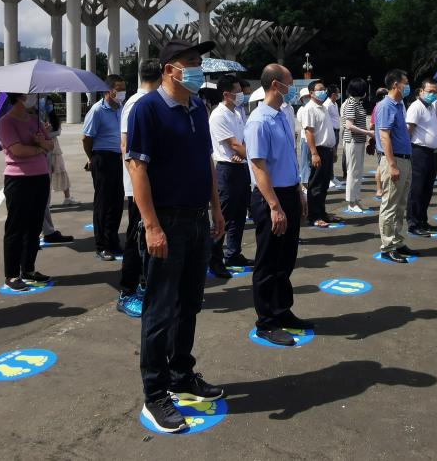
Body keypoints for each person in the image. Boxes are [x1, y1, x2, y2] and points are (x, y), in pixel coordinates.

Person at [126, 38, 226, 434]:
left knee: (189, 304)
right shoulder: (147, 109)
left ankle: (181, 374)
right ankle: (155, 393)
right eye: (192, 62)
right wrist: (151, 226)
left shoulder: (197, 107)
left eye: (200, 61)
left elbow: (206, 161)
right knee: (159, 310)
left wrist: (216, 208)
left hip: (198, 219)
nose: (199, 68)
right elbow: (137, 169)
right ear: (170, 69)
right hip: (166, 222)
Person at [245, 64, 310, 346]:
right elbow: (258, 166)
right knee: (268, 261)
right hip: (269, 197)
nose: (293, 88)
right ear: (275, 85)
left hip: (288, 192)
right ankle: (266, 321)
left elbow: (289, 158)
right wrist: (274, 206)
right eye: (289, 82)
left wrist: (298, 191)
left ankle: (282, 311)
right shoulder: (259, 120)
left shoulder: (282, 114)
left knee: (285, 259)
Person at [116, 59, 162, 318]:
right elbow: (126, 146)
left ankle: (144, 284)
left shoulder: (150, 101)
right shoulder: (137, 103)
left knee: (145, 239)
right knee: (136, 238)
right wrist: (137, 182)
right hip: (138, 186)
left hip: (150, 183)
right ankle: (127, 292)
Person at [0, 92, 54, 291]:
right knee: (16, 227)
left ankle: (28, 268)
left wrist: (42, 143)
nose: (34, 98)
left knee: (34, 225)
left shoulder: (34, 119)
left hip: (40, 176)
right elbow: (18, 151)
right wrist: (39, 148)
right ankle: (12, 274)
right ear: (19, 97)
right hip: (18, 179)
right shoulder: (6, 122)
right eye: (30, 95)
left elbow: (50, 144)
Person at [374, 70, 420, 263]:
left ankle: (397, 241)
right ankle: (387, 246)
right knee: (390, 205)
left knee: (400, 204)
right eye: (405, 83)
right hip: (394, 160)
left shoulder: (399, 105)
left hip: (405, 159)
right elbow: (384, 136)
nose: (407, 86)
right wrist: (392, 165)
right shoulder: (386, 106)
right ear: (396, 85)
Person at [209, 74, 250, 273]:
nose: (241, 94)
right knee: (223, 217)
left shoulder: (237, 113)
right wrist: (253, 155)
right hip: (226, 170)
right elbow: (233, 144)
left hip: (240, 166)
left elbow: (243, 141)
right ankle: (214, 259)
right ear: (226, 94)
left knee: (239, 214)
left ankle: (233, 253)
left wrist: (243, 153)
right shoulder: (219, 115)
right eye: (238, 91)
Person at [83, 75, 126, 261]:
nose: (123, 92)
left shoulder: (121, 108)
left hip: (118, 158)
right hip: (102, 157)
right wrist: (91, 157)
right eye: (119, 89)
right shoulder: (97, 110)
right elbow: (86, 138)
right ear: (109, 90)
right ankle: (101, 245)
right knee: (103, 202)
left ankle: (113, 240)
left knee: (117, 201)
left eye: (124, 88)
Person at [298, 80, 336, 227]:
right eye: (320, 89)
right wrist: (314, 153)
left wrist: (333, 150)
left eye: (324, 89)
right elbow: (309, 132)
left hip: (327, 150)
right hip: (318, 150)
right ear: (311, 93)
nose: (323, 91)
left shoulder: (323, 107)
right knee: (316, 184)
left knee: (324, 183)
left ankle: (322, 212)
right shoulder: (309, 109)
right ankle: (314, 216)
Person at [406, 78, 437, 237]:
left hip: (431, 153)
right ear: (421, 91)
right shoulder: (416, 107)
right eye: (429, 91)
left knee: (427, 189)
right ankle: (413, 223)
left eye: (435, 92)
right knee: (417, 189)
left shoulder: (431, 107)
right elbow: (409, 130)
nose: (433, 94)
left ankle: (422, 220)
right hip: (419, 152)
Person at [40, 101, 75, 245]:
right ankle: (44, 232)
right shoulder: (28, 119)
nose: (47, 104)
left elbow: (49, 144)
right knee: (40, 200)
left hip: (46, 158)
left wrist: (45, 134)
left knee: (44, 199)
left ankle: (48, 231)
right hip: (32, 166)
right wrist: (44, 134)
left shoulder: (42, 118)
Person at [341, 78, 373, 213]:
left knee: (358, 171)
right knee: (353, 171)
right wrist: (367, 132)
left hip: (359, 141)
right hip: (352, 141)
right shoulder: (351, 103)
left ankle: (356, 199)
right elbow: (349, 125)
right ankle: (351, 202)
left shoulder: (357, 103)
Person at [43, 97, 77, 207]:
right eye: (46, 103)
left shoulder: (54, 118)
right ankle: (46, 201)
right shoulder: (39, 117)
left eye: (50, 103)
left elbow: (58, 132)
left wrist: (47, 133)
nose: (49, 105)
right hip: (44, 147)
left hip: (55, 148)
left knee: (61, 170)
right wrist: (45, 133)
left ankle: (67, 197)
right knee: (46, 175)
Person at [370, 87, 388, 199]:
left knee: (381, 165)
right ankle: (379, 189)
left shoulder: (377, 106)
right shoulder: (381, 106)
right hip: (382, 141)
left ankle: (380, 189)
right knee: (381, 166)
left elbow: (372, 125)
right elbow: (372, 125)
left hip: (380, 140)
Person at [326, 85, 343, 189]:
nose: (339, 95)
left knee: (333, 155)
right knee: (330, 154)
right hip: (331, 131)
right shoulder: (327, 105)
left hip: (336, 131)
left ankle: (331, 176)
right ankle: (329, 177)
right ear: (333, 94)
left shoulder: (335, 104)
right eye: (338, 93)